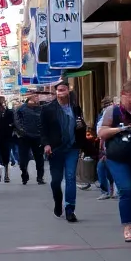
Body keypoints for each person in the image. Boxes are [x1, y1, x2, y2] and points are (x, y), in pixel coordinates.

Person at [98, 82, 131, 242]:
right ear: (123, 94)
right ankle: (127, 226)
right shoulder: (113, 111)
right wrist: (120, 129)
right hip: (118, 156)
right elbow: (102, 132)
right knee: (126, 189)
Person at [40, 80, 84, 222]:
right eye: (59, 90)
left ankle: (70, 209)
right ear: (56, 92)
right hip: (56, 149)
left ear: (68, 91)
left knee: (70, 177)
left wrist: (81, 127)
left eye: (63, 90)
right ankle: (58, 202)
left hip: (72, 148)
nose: (61, 93)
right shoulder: (48, 109)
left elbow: (81, 125)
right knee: (56, 181)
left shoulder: (75, 108)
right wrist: (46, 145)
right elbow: (43, 130)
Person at [13, 92, 46, 185]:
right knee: (23, 159)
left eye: (37, 96)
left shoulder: (41, 109)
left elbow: (45, 121)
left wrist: (42, 132)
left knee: (39, 158)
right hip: (24, 137)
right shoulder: (21, 108)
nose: (37, 98)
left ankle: (40, 177)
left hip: (38, 137)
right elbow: (16, 120)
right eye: (35, 96)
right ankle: (24, 174)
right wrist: (21, 130)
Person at [95, 97, 117, 200]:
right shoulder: (101, 116)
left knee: (106, 167)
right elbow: (101, 132)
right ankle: (108, 190)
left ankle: (110, 190)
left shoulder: (115, 114)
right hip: (105, 147)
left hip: (111, 146)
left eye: (108, 104)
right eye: (105, 105)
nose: (106, 107)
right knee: (103, 167)